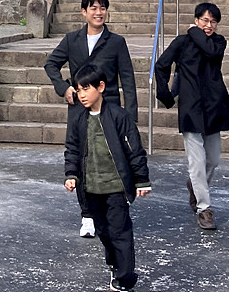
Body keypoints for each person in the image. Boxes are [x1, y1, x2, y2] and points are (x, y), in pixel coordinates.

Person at [44, 0, 138, 237]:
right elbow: (51, 64)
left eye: (102, 8)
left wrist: (130, 116)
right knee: (82, 159)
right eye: (93, 8)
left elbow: (128, 79)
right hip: (80, 107)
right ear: (83, 12)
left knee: (110, 158)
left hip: (109, 108)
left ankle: (114, 206)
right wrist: (64, 87)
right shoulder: (71, 40)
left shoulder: (116, 42)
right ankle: (87, 215)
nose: (99, 13)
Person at [64, 64, 152, 292]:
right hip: (91, 187)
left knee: (120, 231)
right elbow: (72, 149)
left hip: (116, 187)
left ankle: (125, 278)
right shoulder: (78, 119)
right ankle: (115, 265)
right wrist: (71, 175)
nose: (82, 95)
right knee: (103, 231)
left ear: (101, 87)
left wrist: (141, 179)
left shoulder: (118, 116)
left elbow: (134, 150)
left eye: (86, 88)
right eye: (78, 90)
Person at [154, 1, 229, 231]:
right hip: (191, 107)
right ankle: (204, 209)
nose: (209, 25)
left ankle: (195, 186)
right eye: (204, 21)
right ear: (196, 19)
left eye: (213, 22)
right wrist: (166, 95)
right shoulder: (182, 42)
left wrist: (194, 31)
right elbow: (161, 65)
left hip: (214, 106)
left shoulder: (218, 42)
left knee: (213, 159)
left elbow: (210, 51)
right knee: (196, 162)